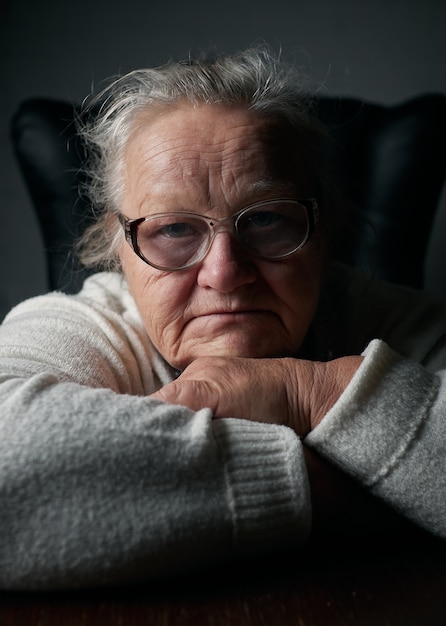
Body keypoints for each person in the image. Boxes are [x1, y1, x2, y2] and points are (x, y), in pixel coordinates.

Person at [1, 47, 445, 590]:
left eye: (264, 220)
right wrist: (356, 497)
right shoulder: (89, 327)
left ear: (324, 234)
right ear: (116, 247)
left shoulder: (394, 319)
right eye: (174, 230)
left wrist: (310, 392)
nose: (226, 273)